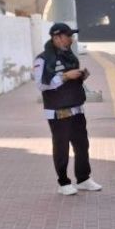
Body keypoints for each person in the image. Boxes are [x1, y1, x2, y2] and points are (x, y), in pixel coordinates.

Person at [33, 23, 102, 196]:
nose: (71, 39)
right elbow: (41, 84)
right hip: (58, 110)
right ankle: (63, 182)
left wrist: (80, 76)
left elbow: (73, 78)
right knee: (62, 147)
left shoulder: (70, 57)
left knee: (82, 145)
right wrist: (65, 76)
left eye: (71, 35)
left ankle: (84, 179)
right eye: (68, 36)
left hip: (76, 107)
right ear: (57, 37)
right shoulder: (42, 59)